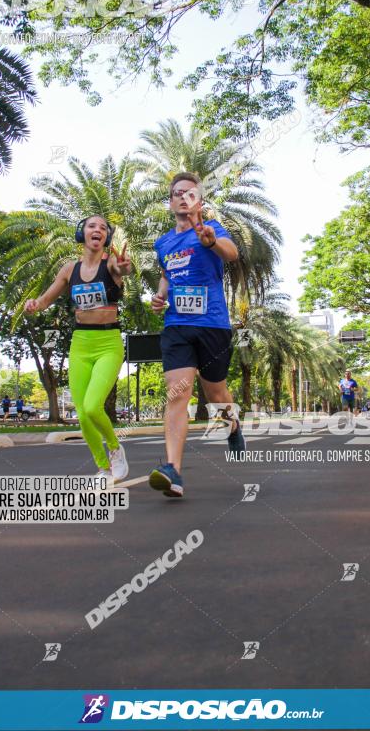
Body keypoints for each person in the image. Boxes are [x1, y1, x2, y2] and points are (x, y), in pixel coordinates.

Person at [149, 172, 244, 498]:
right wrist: (160, 296)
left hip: (213, 325)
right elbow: (166, 273)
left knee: (215, 391)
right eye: (177, 193)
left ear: (199, 202)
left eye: (190, 193)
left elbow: (231, 254)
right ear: (171, 202)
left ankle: (233, 425)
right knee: (178, 393)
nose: (183, 197)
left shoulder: (212, 229)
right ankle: (173, 470)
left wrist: (211, 241)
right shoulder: (163, 243)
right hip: (177, 326)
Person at [24, 215, 132, 486]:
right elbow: (46, 299)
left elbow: (123, 271)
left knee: (94, 406)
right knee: (82, 413)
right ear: (81, 233)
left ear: (106, 237)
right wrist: (34, 304)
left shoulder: (111, 264)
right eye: (92, 226)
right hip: (80, 343)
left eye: (103, 228)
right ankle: (103, 467)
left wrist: (123, 267)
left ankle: (116, 450)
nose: (97, 230)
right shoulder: (68, 269)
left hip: (109, 343)